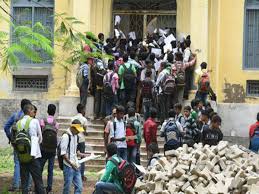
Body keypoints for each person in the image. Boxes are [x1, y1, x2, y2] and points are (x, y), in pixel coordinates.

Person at [16, 104, 45, 194]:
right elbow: (40, 138)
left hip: (22, 155)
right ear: (29, 111)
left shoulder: (18, 123)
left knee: (24, 182)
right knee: (38, 181)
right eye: (33, 110)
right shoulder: (34, 121)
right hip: (33, 156)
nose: (34, 112)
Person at [4, 99, 31, 191]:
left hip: (16, 143)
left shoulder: (15, 116)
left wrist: (10, 138)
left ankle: (16, 186)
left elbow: (6, 127)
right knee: (28, 163)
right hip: (27, 144)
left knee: (17, 163)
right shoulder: (29, 118)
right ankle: (28, 186)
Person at [60, 119, 88, 194]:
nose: (79, 132)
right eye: (77, 130)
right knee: (67, 188)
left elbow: (75, 151)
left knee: (79, 187)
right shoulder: (66, 137)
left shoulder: (76, 136)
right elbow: (63, 154)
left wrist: (85, 155)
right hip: (68, 166)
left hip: (76, 165)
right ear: (73, 128)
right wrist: (71, 164)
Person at [40, 104, 59, 193]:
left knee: (40, 167)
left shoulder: (42, 121)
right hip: (52, 150)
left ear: (47, 111)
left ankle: (38, 185)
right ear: (54, 112)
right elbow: (56, 135)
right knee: (50, 170)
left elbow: (40, 134)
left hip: (43, 148)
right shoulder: (56, 123)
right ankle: (49, 187)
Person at [72, 104, 88, 182]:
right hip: (81, 140)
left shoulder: (73, 118)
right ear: (82, 110)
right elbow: (84, 130)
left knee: (73, 156)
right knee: (82, 157)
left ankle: (73, 173)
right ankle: (81, 175)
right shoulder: (84, 119)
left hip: (74, 139)